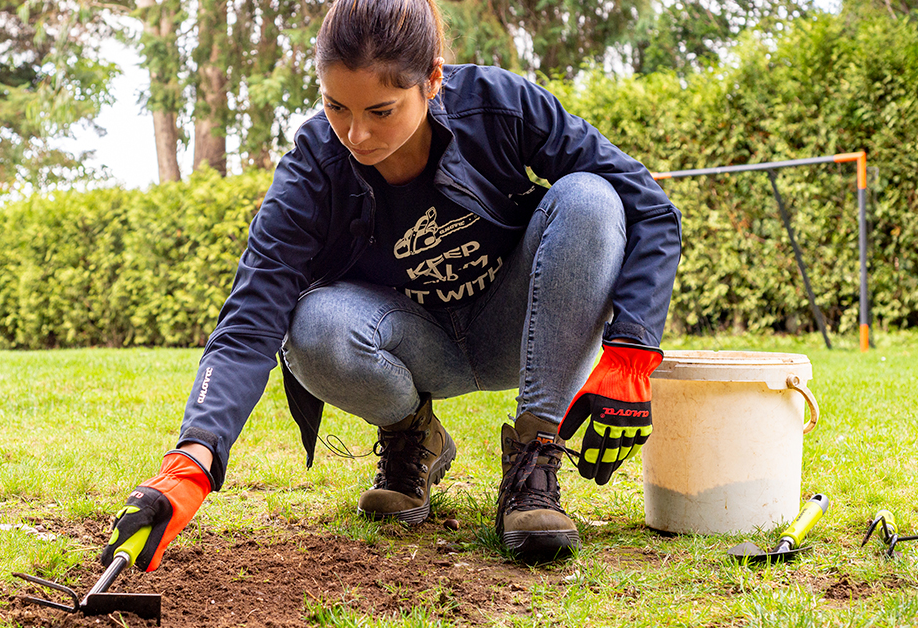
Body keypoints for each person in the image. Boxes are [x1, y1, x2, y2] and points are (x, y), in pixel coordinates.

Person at [100, 0, 681, 570]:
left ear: (432, 81)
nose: (357, 134)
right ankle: (413, 439)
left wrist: (630, 352)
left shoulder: (498, 106)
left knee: (591, 197)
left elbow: (651, 208)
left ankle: (534, 460)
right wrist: (195, 456)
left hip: (522, 331)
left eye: (381, 110)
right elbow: (251, 317)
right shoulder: (313, 169)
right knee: (311, 324)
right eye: (335, 107)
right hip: (416, 345)